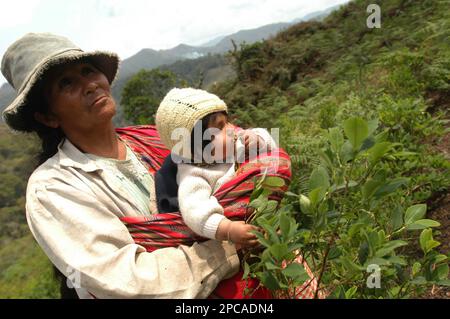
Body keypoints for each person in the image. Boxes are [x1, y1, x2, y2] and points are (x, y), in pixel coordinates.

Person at [1, 32, 241, 298]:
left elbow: (232, 164)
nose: (90, 85)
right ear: (47, 117)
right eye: (66, 83)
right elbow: (126, 282)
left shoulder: (153, 139)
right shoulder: (53, 188)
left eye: (88, 70)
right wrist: (230, 244)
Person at [154, 88, 278, 247]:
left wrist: (258, 139)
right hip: (240, 235)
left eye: (226, 122)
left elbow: (272, 146)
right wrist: (228, 229)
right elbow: (195, 212)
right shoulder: (195, 176)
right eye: (219, 128)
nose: (231, 129)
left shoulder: (235, 144)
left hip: (267, 213)